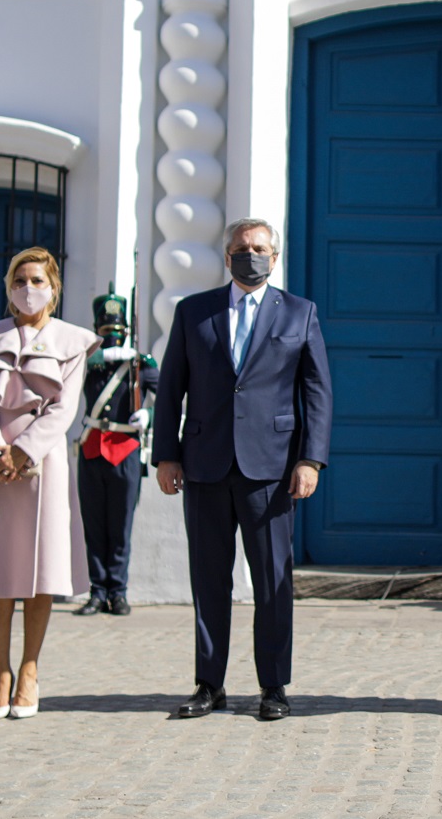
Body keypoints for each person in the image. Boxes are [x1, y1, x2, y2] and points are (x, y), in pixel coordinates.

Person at [153, 218, 333, 722]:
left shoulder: (300, 312)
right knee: (209, 580)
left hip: (271, 470)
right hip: (205, 464)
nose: (249, 255)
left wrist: (310, 459)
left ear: (273, 258)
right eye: (240, 248)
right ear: (226, 254)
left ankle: (274, 686)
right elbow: (171, 388)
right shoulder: (194, 312)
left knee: (273, 580)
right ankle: (209, 683)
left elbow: (317, 392)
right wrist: (166, 454)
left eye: (258, 248)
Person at [0, 246, 100, 720]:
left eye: (37, 280)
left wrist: (24, 451)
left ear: (54, 288)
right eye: (19, 280)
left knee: (40, 573)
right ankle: (0, 673)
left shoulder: (73, 342)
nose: (28, 289)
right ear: (8, 287)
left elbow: (64, 408)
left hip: (41, 465)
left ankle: (30, 669)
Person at [74, 288, 157, 617]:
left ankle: (118, 592)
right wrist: (94, 356)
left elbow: (167, 393)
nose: (110, 337)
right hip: (92, 448)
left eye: (116, 331)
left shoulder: (139, 361)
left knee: (120, 527)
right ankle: (97, 591)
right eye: (105, 331)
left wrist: (149, 414)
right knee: (94, 525)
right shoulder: (88, 361)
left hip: (125, 450)